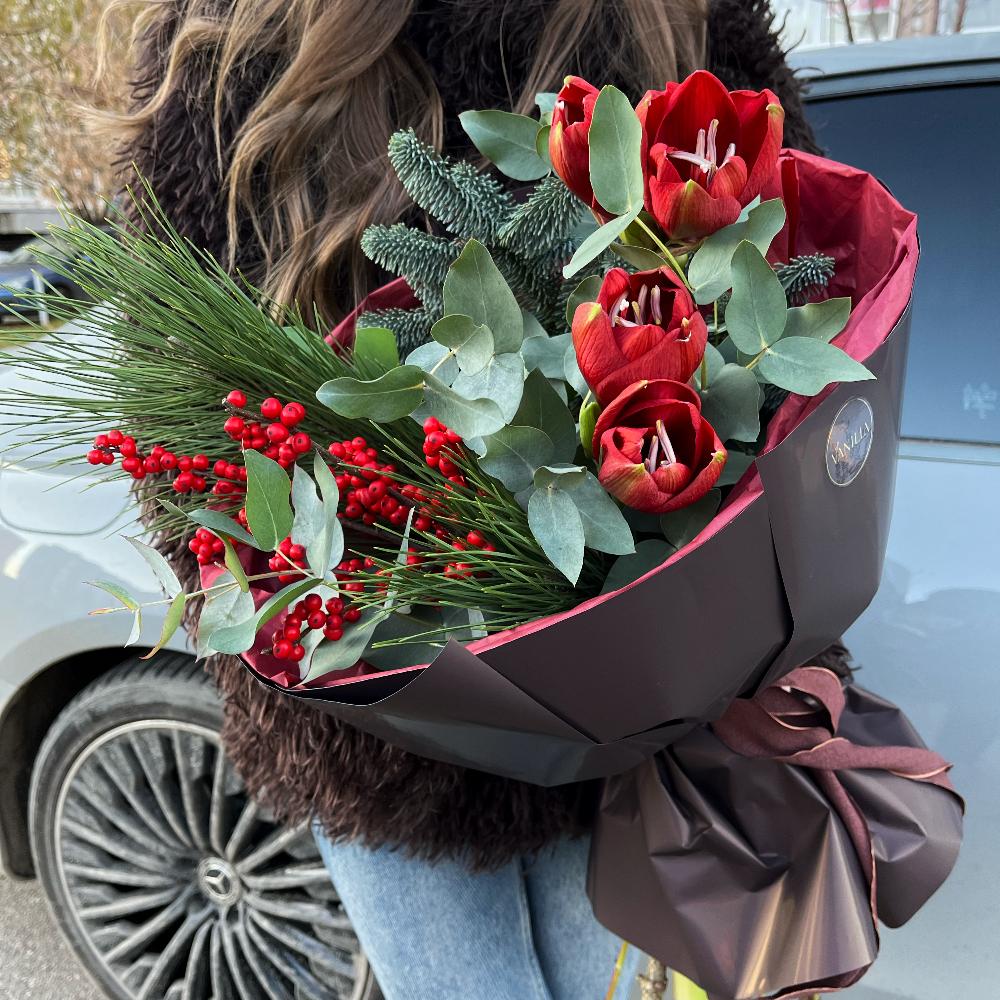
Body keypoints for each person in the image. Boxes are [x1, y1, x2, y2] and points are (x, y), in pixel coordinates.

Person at [108, 1, 825, 996]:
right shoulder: (239, 41)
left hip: (626, 691)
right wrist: (282, 585)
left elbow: (790, 308)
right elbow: (173, 383)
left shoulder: (684, 24)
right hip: (385, 712)